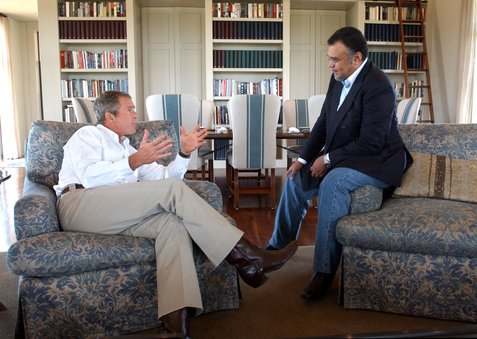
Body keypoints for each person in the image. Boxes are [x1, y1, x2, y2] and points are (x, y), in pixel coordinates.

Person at [54, 90, 298, 337]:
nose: (136, 114)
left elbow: (164, 178)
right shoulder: (88, 135)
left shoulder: (129, 149)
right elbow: (89, 176)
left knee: (172, 225)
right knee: (172, 192)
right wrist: (134, 162)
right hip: (79, 204)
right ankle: (248, 259)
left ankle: (174, 325)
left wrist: (183, 153)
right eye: (130, 109)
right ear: (110, 116)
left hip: (115, 214)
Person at [265, 27, 412, 301]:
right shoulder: (338, 77)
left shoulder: (379, 86)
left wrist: (328, 159)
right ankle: (277, 248)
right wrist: (303, 159)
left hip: (377, 161)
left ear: (357, 58)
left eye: (336, 59)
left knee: (332, 181)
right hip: (346, 155)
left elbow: (371, 142)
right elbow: (322, 124)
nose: (330, 64)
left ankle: (324, 272)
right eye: (329, 58)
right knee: (295, 178)